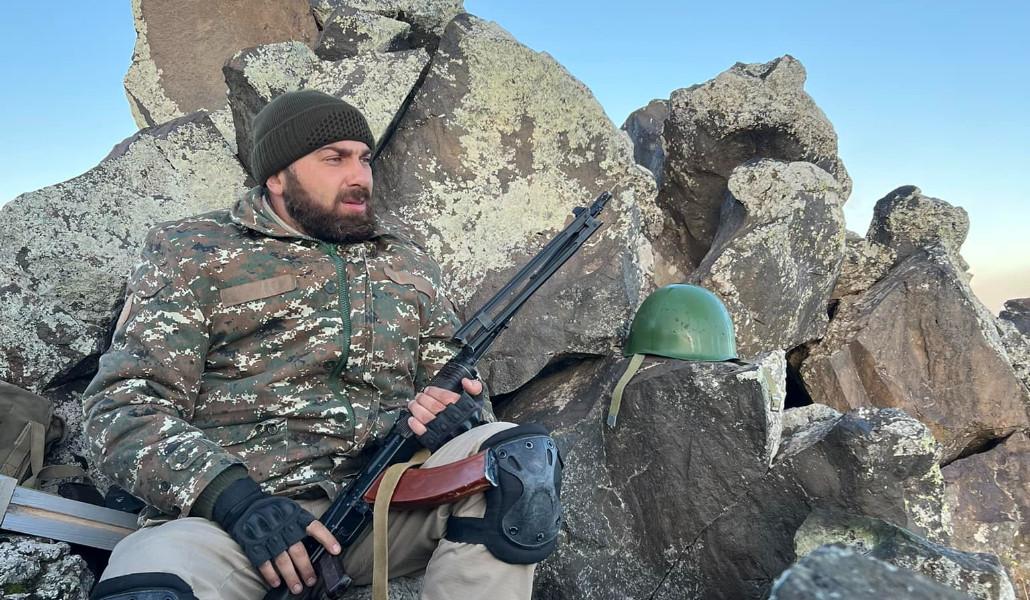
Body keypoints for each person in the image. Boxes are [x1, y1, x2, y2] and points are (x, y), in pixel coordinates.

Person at [82, 90, 561, 600]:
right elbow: (121, 409)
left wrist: (457, 420)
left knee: (517, 462)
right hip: (234, 529)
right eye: (334, 159)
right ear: (277, 176)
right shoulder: (192, 251)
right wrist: (234, 500)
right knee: (148, 586)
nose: (358, 177)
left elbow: (459, 390)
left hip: (386, 507)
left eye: (364, 159)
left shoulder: (407, 261)